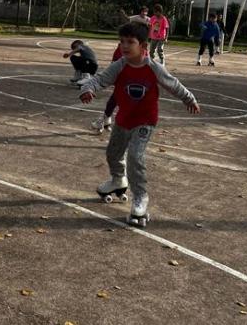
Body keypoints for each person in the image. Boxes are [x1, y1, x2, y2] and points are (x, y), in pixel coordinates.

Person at [80, 21, 200, 226]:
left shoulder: (154, 68)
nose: (124, 46)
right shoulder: (120, 65)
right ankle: (118, 180)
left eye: (130, 42)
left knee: (135, 156)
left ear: (144, 46)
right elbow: (100, 79)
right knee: (113, 154)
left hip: (145, 121)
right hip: (123, 120)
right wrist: (88, 89)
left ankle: (140, 197)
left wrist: (189, 99)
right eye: (122, 42)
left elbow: (173, 84)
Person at [90, 43, 123, 133]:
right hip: (124, 79)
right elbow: (114, 64)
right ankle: (105, 119)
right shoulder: (121, 49)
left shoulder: (139, 51)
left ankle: (105, 119)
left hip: (132, 80)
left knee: (119, 99)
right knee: (116, 98)